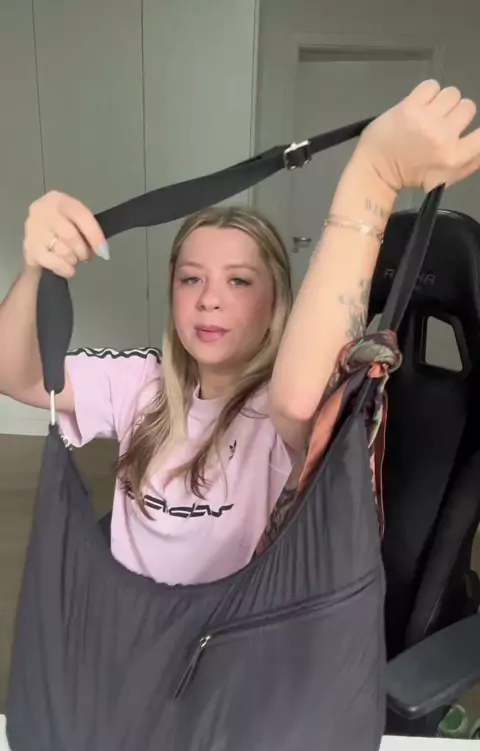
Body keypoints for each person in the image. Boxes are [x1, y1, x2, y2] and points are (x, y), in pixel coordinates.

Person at [0, 79, 479, 584]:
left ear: (276, 303)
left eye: (239, 281)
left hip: (227, 630)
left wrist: (375, 179)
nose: (209, 299)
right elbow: (15, 375)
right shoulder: (139, 381)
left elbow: (300, 406)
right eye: (191, 279)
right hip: (130, 621)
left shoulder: (278, 403)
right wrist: (37, 269)